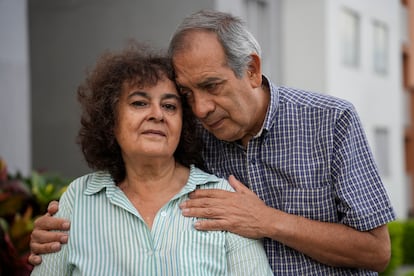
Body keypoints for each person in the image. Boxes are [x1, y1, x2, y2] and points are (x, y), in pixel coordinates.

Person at [29, 10, 395, 275]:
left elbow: (378, 251)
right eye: (186, 94)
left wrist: (267, 221)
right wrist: (58, 231)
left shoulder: (330, 120)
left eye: (211, 86)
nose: (200, 108)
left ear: (251, 69)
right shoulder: (194, 134)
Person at [29, 43, 273, 275]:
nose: (157, 114)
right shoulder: (79, 198)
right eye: (139, 103)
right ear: (110, 120)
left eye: (169, 106)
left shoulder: (220, 197)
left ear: (184, 124)